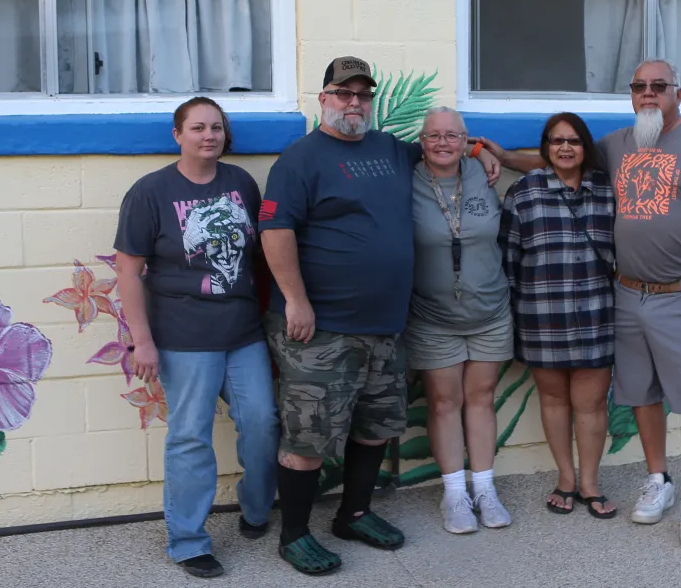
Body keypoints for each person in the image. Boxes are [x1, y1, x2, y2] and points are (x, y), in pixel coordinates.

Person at [474, 59, 681, 546]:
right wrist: (498, 154)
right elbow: (561, 162)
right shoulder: (619, 144)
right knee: (642, 395)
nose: (649, 94)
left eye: (659, 86)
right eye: (639, 86)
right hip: (626, 294)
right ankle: (658, 479)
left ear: (678, 94)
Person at [258, 56, 501, 575]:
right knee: (308, 436)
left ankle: (354, 514)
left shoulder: (391, 149)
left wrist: (480, 150)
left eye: (363, 95)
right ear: (324, 99)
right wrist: (295, 299)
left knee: (374, 427)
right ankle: (294, 534)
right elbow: (275, 231)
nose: (354, 103)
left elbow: (443, 146)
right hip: (321, 327)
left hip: (386, 324)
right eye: (343, 93)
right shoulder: (299, 160)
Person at [113, 97, 279, 579]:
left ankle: (256, 509)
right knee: (190, 437)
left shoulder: (241, 183)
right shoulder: (150, 192)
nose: (209, 136)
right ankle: (187, 542)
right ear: (178, 135)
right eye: (198, 128)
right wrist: (142, 341)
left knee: (263, 423)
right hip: (184, 337)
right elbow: (128, 272)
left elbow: (260, 255)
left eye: (216, 128)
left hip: (243, 333)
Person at [498, 112, 618, 520]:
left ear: (586, 147)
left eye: (574, 141)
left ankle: (590, 483)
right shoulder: (523, 192)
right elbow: (508, 259)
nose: (565, 148)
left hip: (597, 312)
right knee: (553, 399)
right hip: (541, 314)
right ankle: (565, 478)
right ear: (546, 147)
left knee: (592, 402)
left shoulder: (607, 190)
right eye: (556, 140)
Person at [404, 106, 513, 535]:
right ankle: (454, 494)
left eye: (453, 136)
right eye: (434, 135)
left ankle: (485, 488)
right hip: (432, 315)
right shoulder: (407, 178)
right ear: (421, 141)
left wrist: (483, 150)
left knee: (481, 397)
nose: (443, 143)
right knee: (444, 402)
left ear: (467, 140)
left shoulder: (483, 172)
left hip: (490, 310)